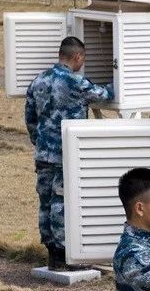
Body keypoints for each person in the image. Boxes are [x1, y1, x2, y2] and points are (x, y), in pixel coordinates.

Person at [25, 36, 114, 271]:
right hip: (66, 155)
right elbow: (106, 95)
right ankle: (66, 255)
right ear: (78, 56)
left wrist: (40, 142)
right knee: (61, 203)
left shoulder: (39, 80)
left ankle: (53, 255)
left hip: (43, 154)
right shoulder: (76, 83)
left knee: (46, 203)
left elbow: (30, 119)